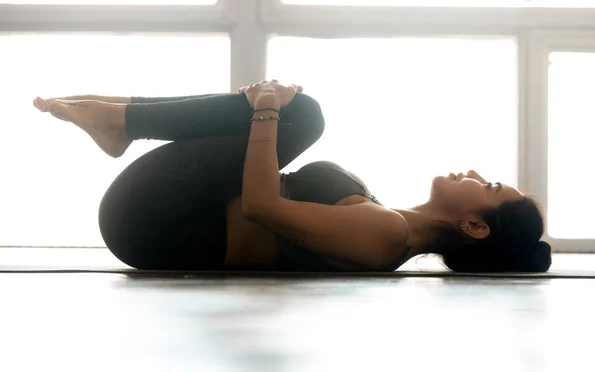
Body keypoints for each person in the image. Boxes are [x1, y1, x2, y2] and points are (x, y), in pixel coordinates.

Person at [33, 80, 552, 273]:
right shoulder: (389, 219)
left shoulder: (391, 234)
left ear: (475, 227)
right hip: (164, 213)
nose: (476, 173)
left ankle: (120, 118)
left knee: (303, 115)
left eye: (487, 187)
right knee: (297, 111)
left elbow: (262, 206)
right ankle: (120, 117)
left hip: (156, 222)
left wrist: (264, 110)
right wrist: (265, 110)